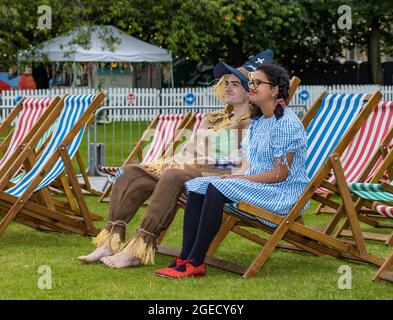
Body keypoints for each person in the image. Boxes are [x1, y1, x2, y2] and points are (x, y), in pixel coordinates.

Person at [78, 50, 273, 268]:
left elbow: (236, 162)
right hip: (186, 169)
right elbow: (189, 149)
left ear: (249, 93)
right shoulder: (213, 119)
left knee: (172, 176)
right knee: (132, 172)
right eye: (227, 82)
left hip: (214, 175)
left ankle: (139, 247)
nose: (228, 86)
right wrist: (175, 159)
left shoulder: (252, 124)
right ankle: (111, 241)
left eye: (236, 84)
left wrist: (192, 163)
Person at [155, 63, 310, 279]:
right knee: (197, 185)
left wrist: (239, 178)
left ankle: (196, 261)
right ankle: (185, 257)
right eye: (251, 82)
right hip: (256, 184)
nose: (252, 86)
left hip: (282, 192)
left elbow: (279, 174)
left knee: (216, 188)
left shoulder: (285, 124)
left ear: (274, 89)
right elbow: (246, 158)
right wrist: (231, 172)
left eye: (258, 83)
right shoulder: (259, 121)